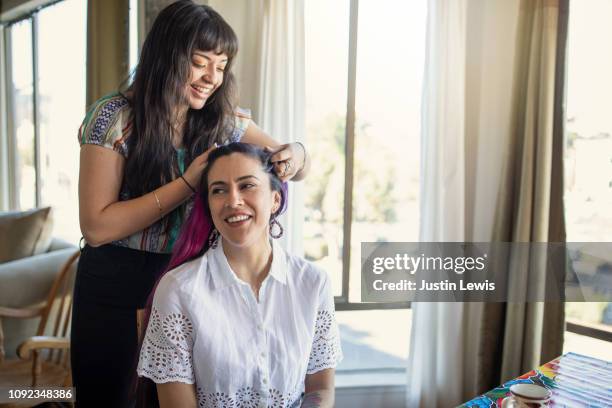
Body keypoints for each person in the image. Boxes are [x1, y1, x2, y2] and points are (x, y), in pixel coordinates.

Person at [72, 1, 309, 406]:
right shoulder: (114, 118)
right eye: (200, 63)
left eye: (220, 66)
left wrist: (298, 153)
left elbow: (294, 164)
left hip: (193, 282)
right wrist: (187, 183)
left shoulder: (224, 121)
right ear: (167, 57)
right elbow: (97, 226)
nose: (211, 78)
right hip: (117, 284)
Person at [137, 143, 342, 408]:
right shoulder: (178, 290)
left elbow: (320, 391)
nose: (233, 201)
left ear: (275, 199)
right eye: (219, 190)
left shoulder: (314, 283)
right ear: (209, 206)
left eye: (247, 185)